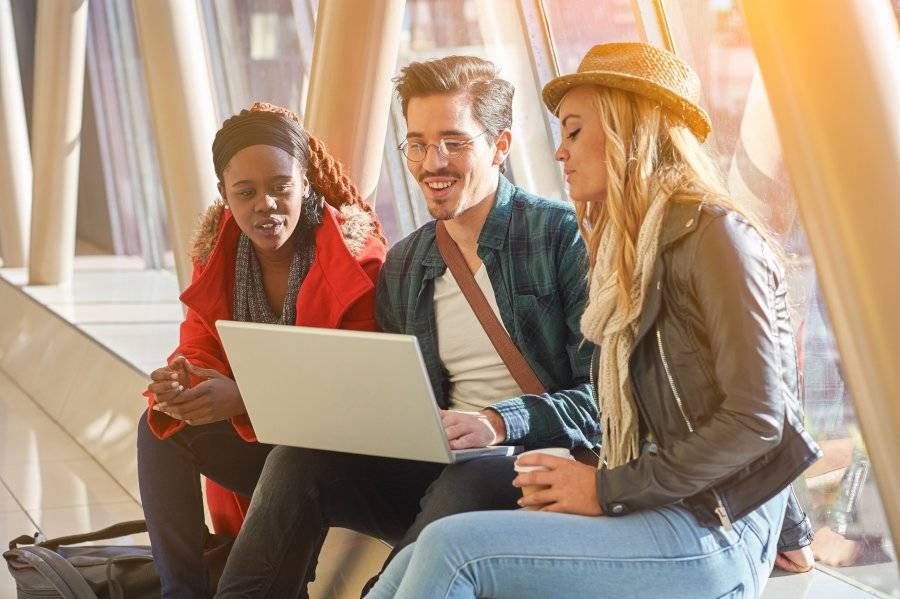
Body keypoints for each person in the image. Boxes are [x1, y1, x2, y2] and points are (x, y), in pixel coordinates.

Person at [365, 42, 821, 599]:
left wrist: (606, 490)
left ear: (630, 130)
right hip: (659, 506)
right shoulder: (630, 252)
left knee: (452, 550)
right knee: (408, 563)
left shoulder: (715, 237)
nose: (560, 153)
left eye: (575, 131)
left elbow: (757, 420)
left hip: (714, 528)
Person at [214, 56, 599, 598]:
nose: (430, 163)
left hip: (541, 473)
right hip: (441, 472)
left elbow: (605, 401)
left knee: (474, 473)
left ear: (501, 145)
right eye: (416, 144)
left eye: (454, 142)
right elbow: (403, 407)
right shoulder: (406, 264)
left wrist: (497, 422)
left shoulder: (561, 237)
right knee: (298, 461)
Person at [137, 102, 386, 599]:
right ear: (224, 197)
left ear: (306, 185)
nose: (265, 205)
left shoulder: (358, 260)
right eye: (245, 193)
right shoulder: (218, 255)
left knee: (294, 460)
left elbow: (356, 391)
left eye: (280, 187)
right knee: (157, 425)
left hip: (333, 452)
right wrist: (184, 381)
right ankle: (182, 591)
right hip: (261, 438)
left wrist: (245, 398)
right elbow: (200, 342)